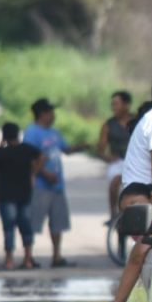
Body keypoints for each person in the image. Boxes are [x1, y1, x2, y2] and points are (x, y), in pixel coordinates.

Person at [23, 98, 89, 267]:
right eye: (50, 112)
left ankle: (56, 256)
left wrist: (82, 146)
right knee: (33, 222)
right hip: (41, 185)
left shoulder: (54, 132)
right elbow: (29, 158)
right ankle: (28, 256)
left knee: (57, 223)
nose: (53, 115)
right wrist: (45, 174)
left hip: (57, 185)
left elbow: (65, 149)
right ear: (42, 114)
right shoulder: (32, 132)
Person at [0, 122, 43, 270]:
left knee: (9, 228)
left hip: (6, 196)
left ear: (4, 135)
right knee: (26, 226)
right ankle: (27, 259)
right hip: (24, 194)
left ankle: (9, 260)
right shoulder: (26, 149)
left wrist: (1, 145)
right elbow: (41, 156)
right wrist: (34, 173)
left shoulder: (2, 152)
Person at [96, 90, 134, 221]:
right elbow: (100, 150)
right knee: (114, 184)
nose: (114, 107)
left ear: (126, 105)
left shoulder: (137, 121)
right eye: (113, 104)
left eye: (116, 104)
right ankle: (113, 214)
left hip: (135, 161)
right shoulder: (108, 125)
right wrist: (108, 158)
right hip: (118, 162)